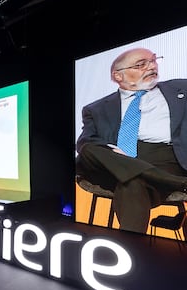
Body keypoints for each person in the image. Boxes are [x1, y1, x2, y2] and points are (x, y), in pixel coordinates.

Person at [76, 47, 187, 234]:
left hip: (167, 158)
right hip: (115, 161)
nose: (151, 66)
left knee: (131, 182)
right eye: (141, 64)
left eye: (153, 61)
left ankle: (132, 253)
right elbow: (86, 140)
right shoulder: (95, 109)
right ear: (118, 76)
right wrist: (111, 153)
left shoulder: (182, 88)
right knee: (87, 147)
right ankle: (177, 182)